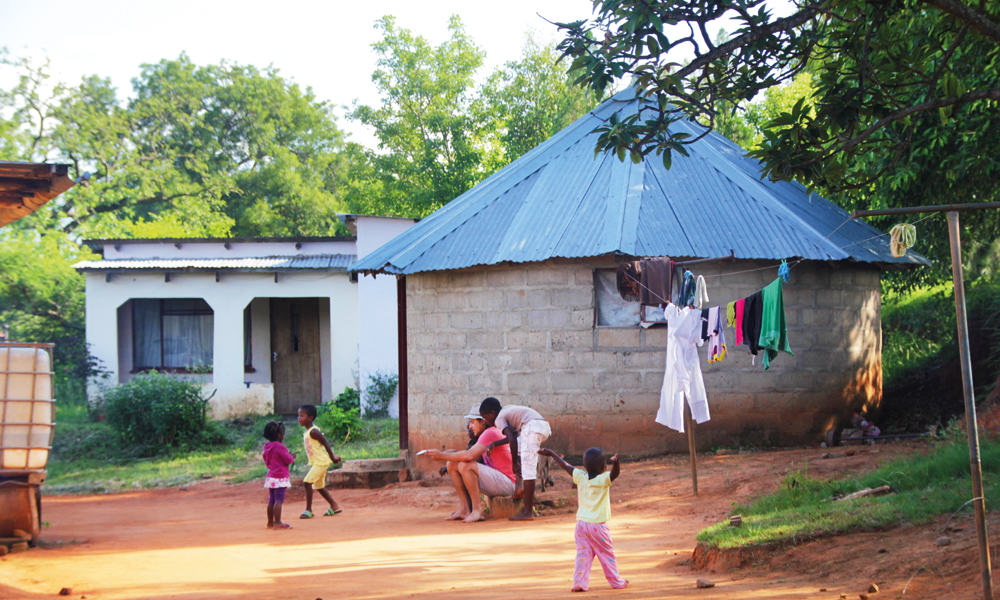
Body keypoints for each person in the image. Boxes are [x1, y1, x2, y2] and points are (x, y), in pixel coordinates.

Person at [539, 447, 628, 592]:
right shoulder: (603, 479)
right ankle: (616, 582)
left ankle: (579, 583)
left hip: (581, 526)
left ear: (584, 466)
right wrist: (616, 464)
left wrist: (552, 454)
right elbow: (614, 474)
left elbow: (565, 465)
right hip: (598, 528)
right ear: (604, 467)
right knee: (607, 556)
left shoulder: (580, 476)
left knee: (583, 556)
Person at [424, 404, 516, 523]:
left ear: (483, 422)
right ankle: (464, 509)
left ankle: (477, 510)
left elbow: (469, 456)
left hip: (509, 483)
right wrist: (448, 456)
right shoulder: (484, 435)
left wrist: (441, 456)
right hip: (498, 480)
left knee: (466, 465)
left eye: (472, 422)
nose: (470, 426)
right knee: (452, 464)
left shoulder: (491, 432)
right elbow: (468, 455)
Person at [479, 397, 551, 521]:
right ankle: (519, 487)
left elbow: (511, 439)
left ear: (492, 413)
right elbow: (512, 438)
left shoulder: (499, 419)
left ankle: (528, 512)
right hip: (541, 426)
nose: (486, 422)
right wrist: (496, 443)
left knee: (528, 468)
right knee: (516, 448)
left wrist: (514, 465)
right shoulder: (507, 411)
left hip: (533, 427)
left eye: (486, 418)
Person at [297, 404, 343, 519]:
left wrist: (333, 457)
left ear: (310, 418)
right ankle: (334, 505)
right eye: (298, 416)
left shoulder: (314, 431)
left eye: (302, 416)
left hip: (321, 462)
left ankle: (308, 510)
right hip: (318, 462)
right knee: (318, 486)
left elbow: (325, 443)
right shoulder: (308, 432)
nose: (299, 418)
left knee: (307, 482)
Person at [262, 421, 295, 530]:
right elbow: (288, 460)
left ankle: (270, 522)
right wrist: (292, 456)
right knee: (279, 500)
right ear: (279, 435)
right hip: (280, 477)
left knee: (272, 500)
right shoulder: (280, 447)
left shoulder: (267, 446)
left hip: (271, 476)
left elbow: (267, 460)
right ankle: (278, 522)